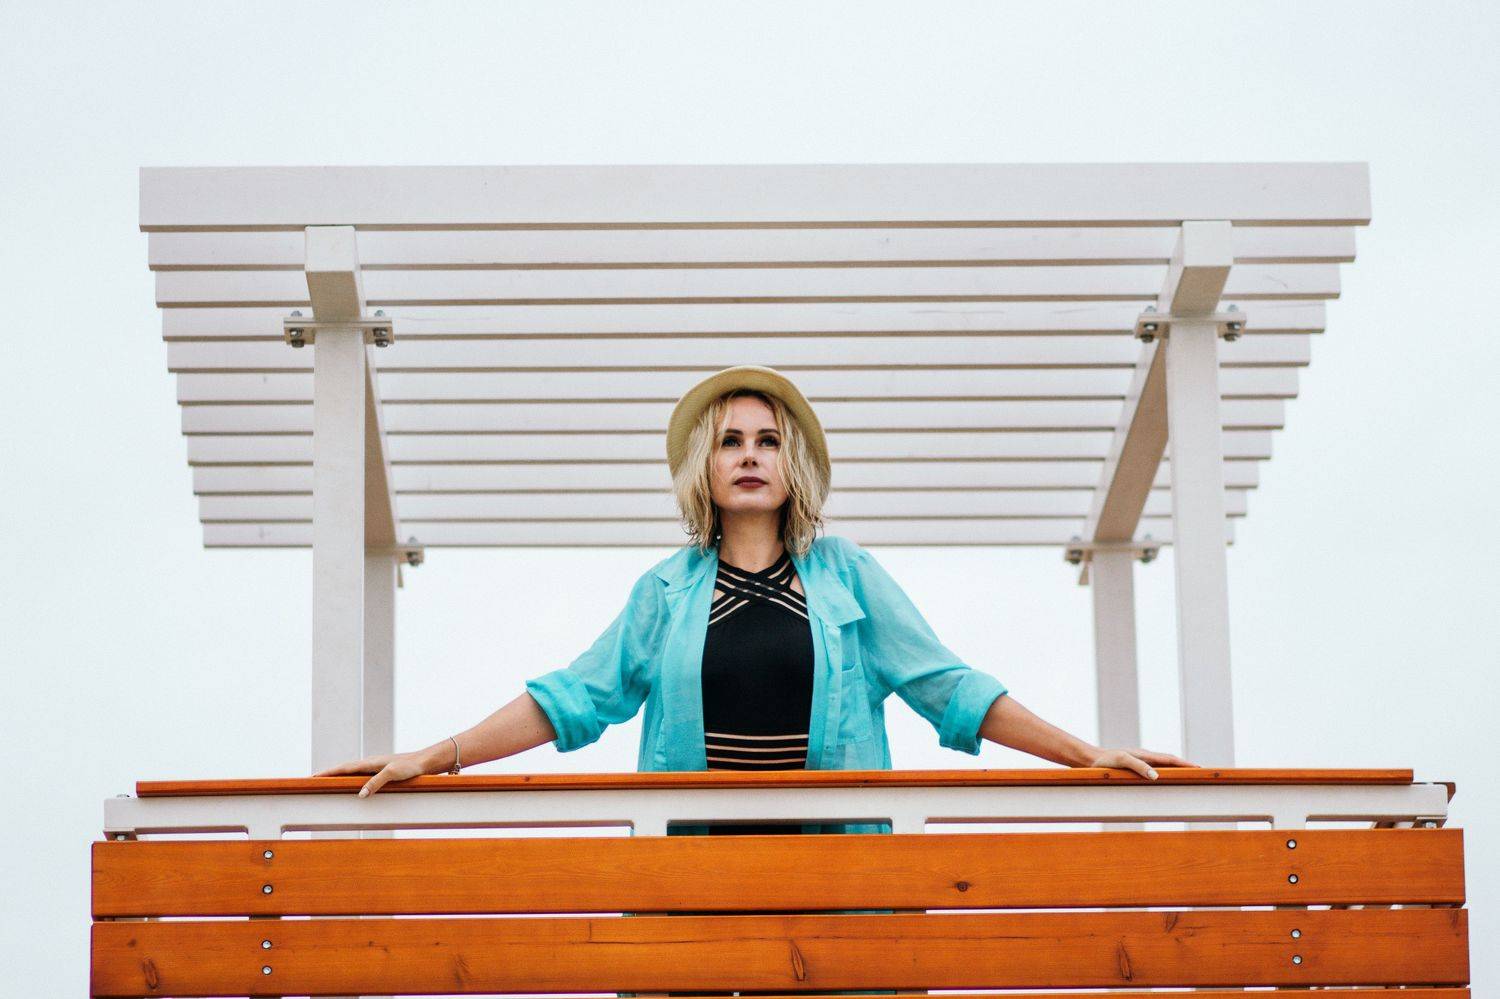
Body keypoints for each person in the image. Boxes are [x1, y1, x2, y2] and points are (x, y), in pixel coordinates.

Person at [314, 365, 1195, 833]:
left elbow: (949, 686)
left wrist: (1084, 753)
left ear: (790, 464)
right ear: (705, 465)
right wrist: (438, 754)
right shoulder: (665, 590)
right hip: (694, 885)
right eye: (730, 439)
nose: (749, 453)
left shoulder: (846, 574)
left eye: (768, 440)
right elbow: (574, 696)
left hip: (838, 888)